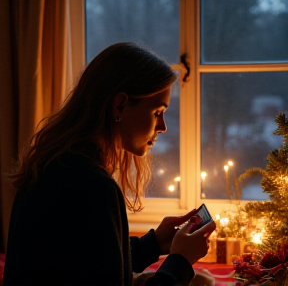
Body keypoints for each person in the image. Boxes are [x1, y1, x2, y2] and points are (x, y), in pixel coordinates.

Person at [3, 42, 216, 286]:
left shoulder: (55, 166)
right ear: (120, 105)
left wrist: (154, 243)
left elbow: (87, 261)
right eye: (157, 112)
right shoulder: (92, 186)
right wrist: (180, 261)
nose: (163, 127)